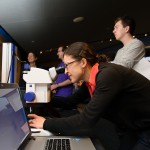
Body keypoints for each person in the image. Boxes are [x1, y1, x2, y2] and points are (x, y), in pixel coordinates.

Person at [28, 42, 150, 150]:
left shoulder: (107, 75)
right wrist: (44, 98)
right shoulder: (91, 80)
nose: (65, 71)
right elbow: (70, 101)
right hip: (133, 126)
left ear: (83, 62)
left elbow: (86, 120)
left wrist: (45, 123)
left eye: (67, 65)